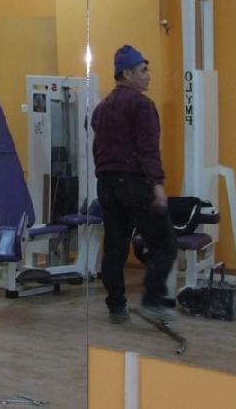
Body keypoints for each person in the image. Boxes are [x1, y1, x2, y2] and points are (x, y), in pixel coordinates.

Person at [91, 44, 178, 324]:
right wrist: (157, 185)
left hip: (107, 185)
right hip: (134, 185)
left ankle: (116, 307)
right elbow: (148, 150)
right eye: (143, 70)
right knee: (165, 244)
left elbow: (98, 148)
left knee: (115, 248)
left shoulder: (101, 108)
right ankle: (153, 300)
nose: (149, 75)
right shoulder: (142, 105)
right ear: (127, 74)